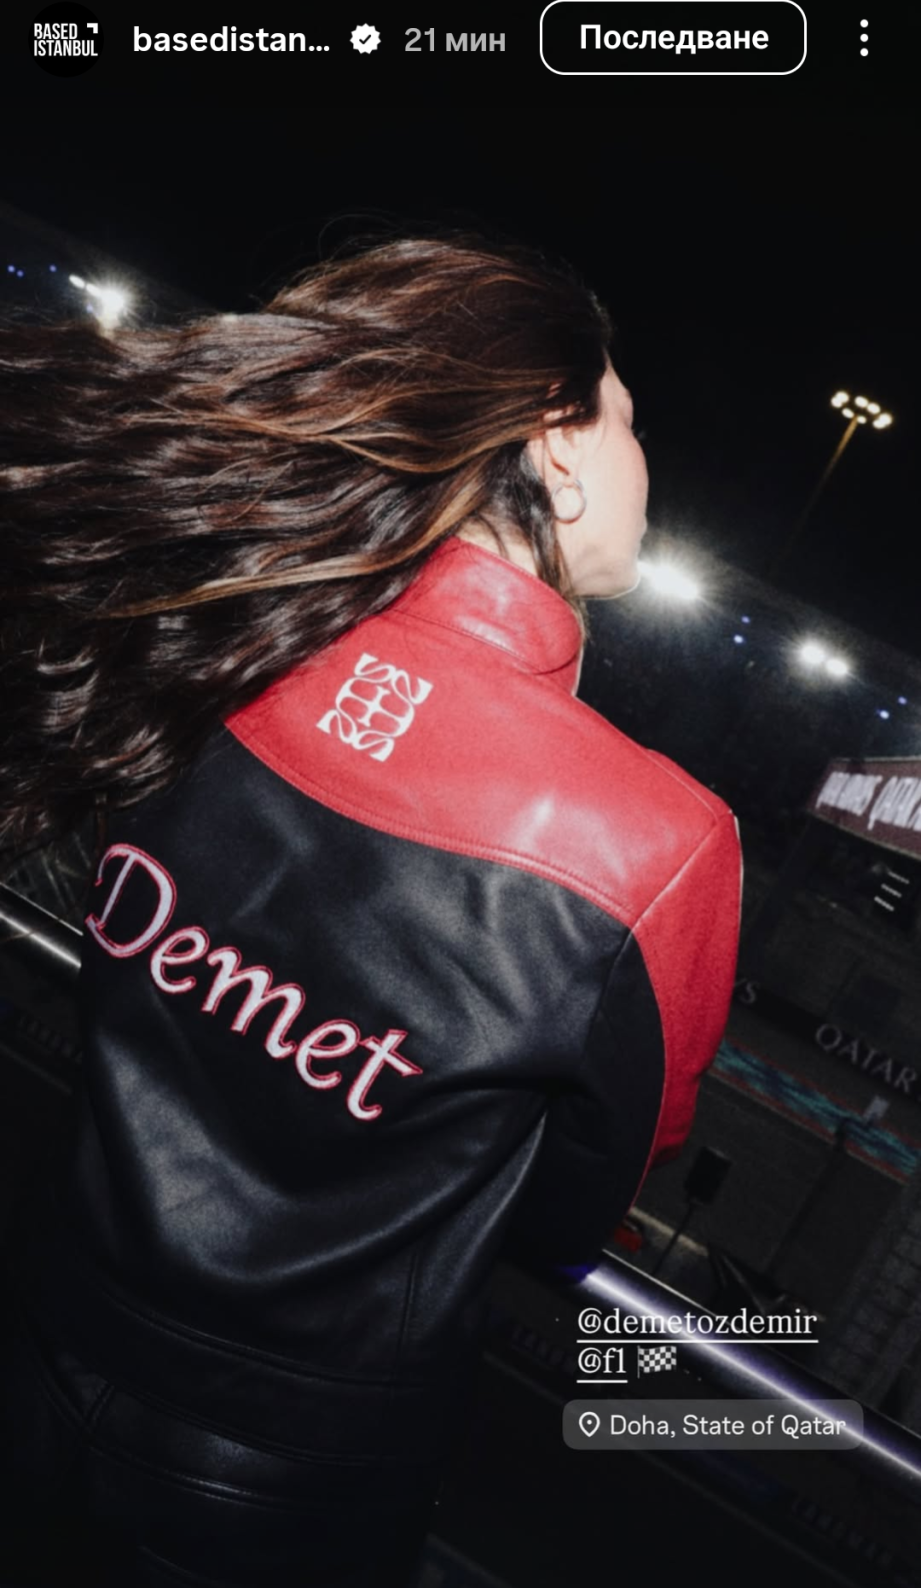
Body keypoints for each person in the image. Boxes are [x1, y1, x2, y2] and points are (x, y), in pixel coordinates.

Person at [0, 234, 741, 1587]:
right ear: (558, 445)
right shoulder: (664, 840)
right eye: (631, 421)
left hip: (40, 1346)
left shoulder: (233, 627)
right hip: (293, 1497)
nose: (648, 460)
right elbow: (564, 1222)